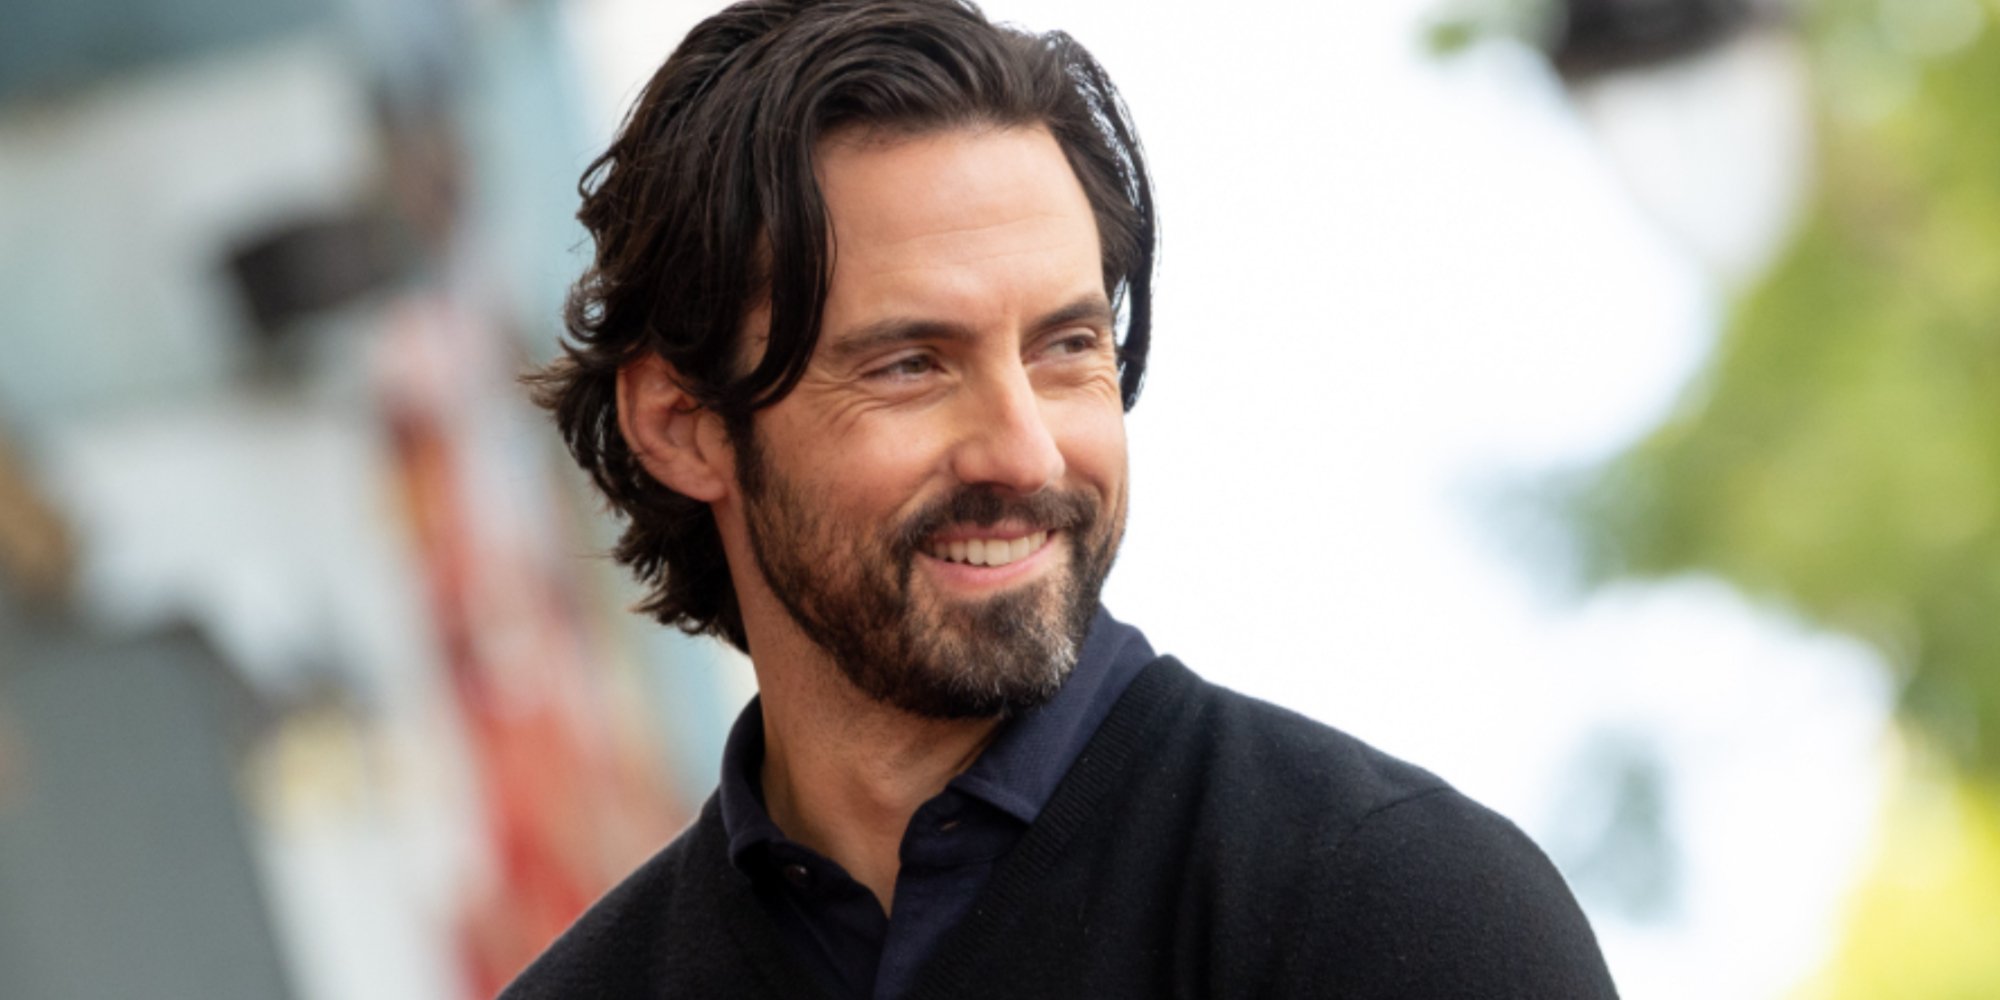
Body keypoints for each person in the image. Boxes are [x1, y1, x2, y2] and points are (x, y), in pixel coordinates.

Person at [505, 1, 1620, 997]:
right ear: (683, 424)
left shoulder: (1391, 907)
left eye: (1066, 348)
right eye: (910, 363)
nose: (1024, 452)